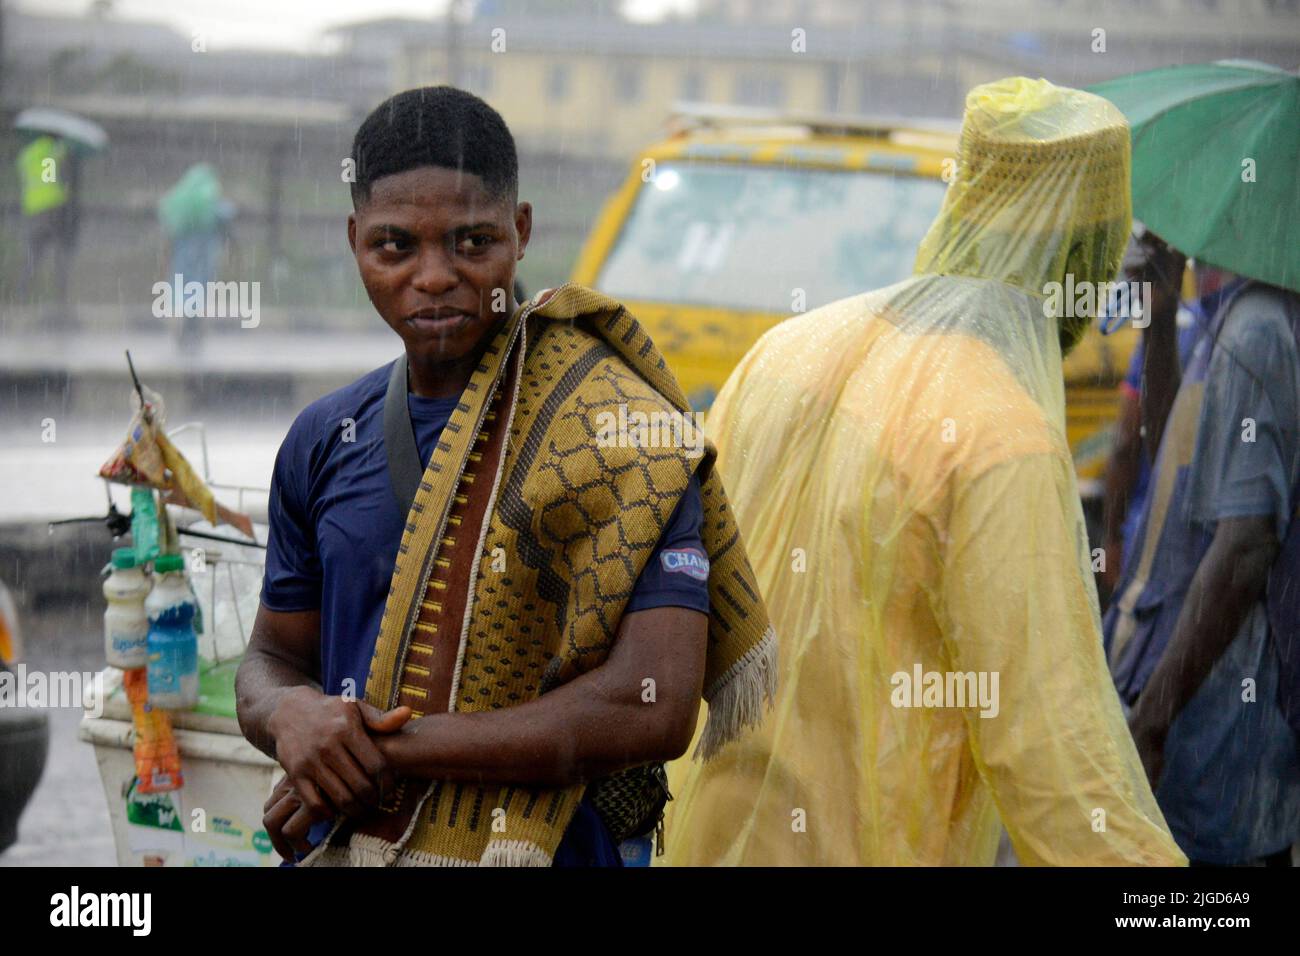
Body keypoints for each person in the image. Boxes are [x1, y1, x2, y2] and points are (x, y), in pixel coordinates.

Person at [234, 87, 775, 868]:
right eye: (395, 247)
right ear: (355, 241)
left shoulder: (620, 434)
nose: (434, 276)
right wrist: (292, 716)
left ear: (520, 233)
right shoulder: (324, 437)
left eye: (471, 242)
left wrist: (387, 749)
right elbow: (271, 657)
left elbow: (649, 706)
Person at [662, 77, 1185, 866]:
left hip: (713, 837)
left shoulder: (784, 351)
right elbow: (1050, 756)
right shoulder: (1002, 437)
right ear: (1088, 252)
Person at [1104, 230, 1300, 866]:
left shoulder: (1258, 332)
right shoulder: (1228, 320)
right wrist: (1160, 324)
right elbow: (1175, 466)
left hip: (1218, 741)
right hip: (1180, 706)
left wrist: (1153, 720)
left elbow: (1246, 544)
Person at [1100, 235, 1225, 594]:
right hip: (1208, 554)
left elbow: (1126, 442)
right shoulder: (1246, 334)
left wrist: (1111, 538)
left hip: (1149, 536)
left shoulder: (1168, 325)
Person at [158, 163, 235, 349]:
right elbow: (225, 214)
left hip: (183, 254)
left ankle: (183, 328)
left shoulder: (183, 196)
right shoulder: (209, 195)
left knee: (182, 288)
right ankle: (193, 327)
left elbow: (169, 224)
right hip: (204, 252)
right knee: (199, 288)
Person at [14, 133, 80, 308]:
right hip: (53, 208)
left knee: (33, 256)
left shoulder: (27, 154)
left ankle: (21, 294)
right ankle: (60, 298)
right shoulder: (54, 151)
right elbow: (50, 178)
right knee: (61, 253)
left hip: (32, 209)